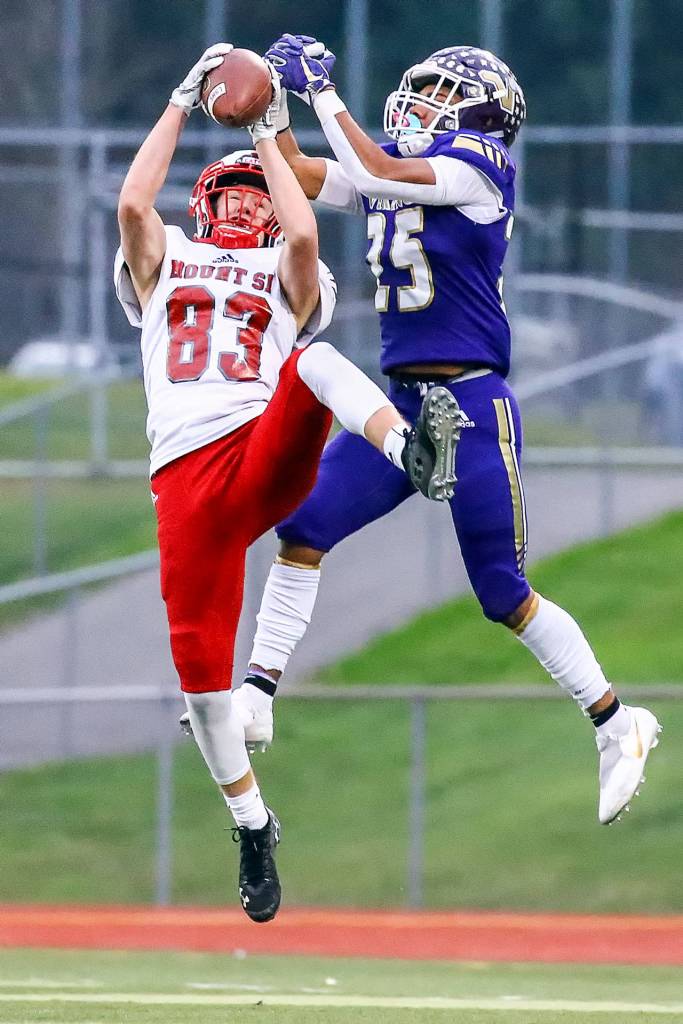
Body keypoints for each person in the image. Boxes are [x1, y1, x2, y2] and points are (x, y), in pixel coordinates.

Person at [233, 37, 661, 826]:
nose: (418, 101)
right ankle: (254, 696)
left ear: (481, 109)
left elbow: (380, 170)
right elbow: (302, 175)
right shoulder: (397, 168)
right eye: (418, 86)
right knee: (301, 527)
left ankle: (615, 722)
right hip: (398, 406)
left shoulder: (479, 164)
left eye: (436, 90)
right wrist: (270, 111)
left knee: (501, 592)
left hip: (469, 403)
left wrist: (322, 90)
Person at [114, 43, 460, 923]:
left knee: (313, 362)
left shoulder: (288, 262)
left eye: (255, 194)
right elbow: (130, 201)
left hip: (258, 451)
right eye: (228, 194)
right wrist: (179, 100)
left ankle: (407, 451)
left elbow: (303, 231)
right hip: (183, 485)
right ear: (201, 203)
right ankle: (252, 824)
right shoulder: (164, 261)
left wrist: (271, 129)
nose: (242, 205)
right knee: (199, 685)